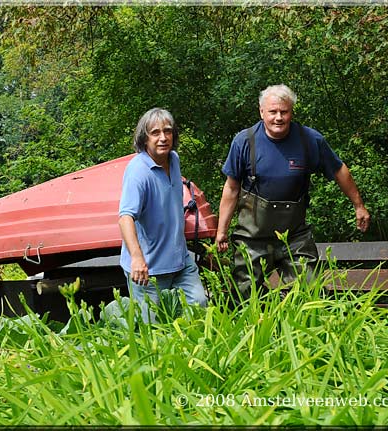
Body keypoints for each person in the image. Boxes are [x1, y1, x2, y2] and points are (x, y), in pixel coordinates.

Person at [216, 84, 370, 304]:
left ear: (291, 112)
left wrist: (359, 205)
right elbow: (231, 188)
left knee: (311, 295)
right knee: (243, 298)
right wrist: (222, 230)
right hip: (252, 237)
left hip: (295, 236)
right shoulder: (244, 141)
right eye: (273, 112)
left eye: (284, 112)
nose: (278, 117)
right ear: (261, 112)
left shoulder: (310, 140)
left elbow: (339, 170)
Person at [118, 108, 208, 322]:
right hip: (149, 267)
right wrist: (137, 258)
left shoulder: (173, 159)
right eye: (155, 132)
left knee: (199, 304)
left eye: (167, 131)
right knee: (151, 327)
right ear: (144, 138)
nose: (163, 138)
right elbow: (125, 217)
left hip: (180, 259)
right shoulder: (138, 172)